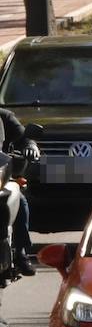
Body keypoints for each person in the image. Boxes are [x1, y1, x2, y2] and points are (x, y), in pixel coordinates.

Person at [0, 110, 39, 279]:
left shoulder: (4, 117)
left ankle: (20, 253)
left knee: (19, 200)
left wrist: (31, 147)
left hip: (1, 176)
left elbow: (24, 138)